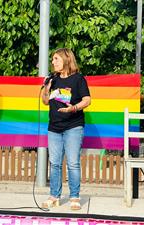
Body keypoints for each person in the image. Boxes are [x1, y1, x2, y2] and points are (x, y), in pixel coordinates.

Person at [41, 48, 91, 210]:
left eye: (56, 59)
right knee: (54, 163)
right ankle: (54, 196)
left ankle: (74, 197)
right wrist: (46, 89)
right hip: (54, 127)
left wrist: (74, 108)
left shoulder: (78, 79)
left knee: (73, 163)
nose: (53, 62)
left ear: (66, 59)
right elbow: (45, 102)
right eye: (52, 59)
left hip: (73, 126)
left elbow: (87, 100)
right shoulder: (53, 79)